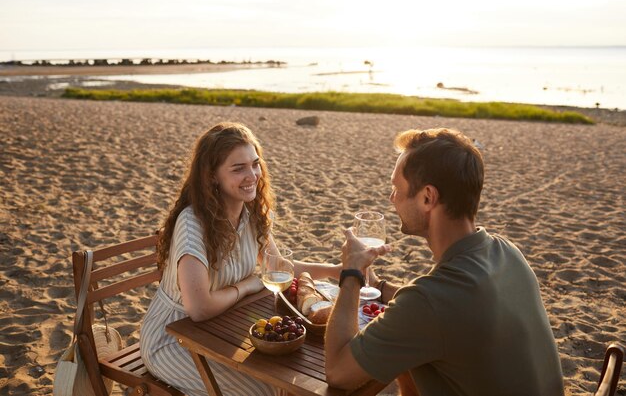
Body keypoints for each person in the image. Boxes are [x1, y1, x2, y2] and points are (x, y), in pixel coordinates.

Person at [325, 128, 565, 396]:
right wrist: (381, 286)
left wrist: (351, 273)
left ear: (428, 197)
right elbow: (443, 310)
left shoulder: (430, 301)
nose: (392, 198)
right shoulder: (507, 252)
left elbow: (337, 372)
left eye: (396, 188)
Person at [140, 122, 340, 396]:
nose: (252, 175)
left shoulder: (252, 212)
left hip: (222, 329)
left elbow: (278, 269)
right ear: (212, 176)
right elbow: (199, 309)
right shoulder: (192, 225)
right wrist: (247, 285)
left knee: (290, 382)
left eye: (255, 164)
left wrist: (336, 270)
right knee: (264, 391)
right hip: (173, 338)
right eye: (238, 168)